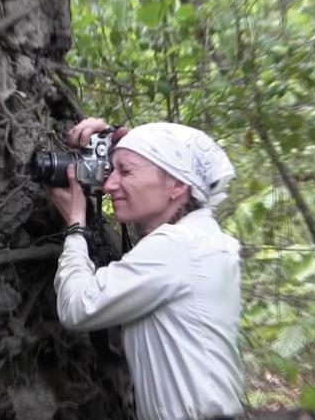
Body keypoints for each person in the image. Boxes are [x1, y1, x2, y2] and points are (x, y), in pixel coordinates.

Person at [48, 118, 243, 420]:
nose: (109, 184)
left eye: (125, 172)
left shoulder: (178, 247)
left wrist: (76, 225)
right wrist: (112, 141)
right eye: (112, 170)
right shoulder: (201, 241)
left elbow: (77, 305)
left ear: (177, 185)